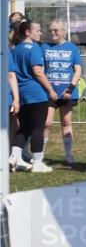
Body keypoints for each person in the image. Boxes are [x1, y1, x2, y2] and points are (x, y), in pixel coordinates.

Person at [9, 20, 58, 173]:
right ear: (27, 32)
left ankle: (14, 157)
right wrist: (50, 90)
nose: (41, 33)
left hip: (22, 93)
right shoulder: (34, 48)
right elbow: (38, 72)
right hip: (37, 93)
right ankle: (37, 162)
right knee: (38, 128)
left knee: (24, 127)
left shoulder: (16, 49)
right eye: (37, 30)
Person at [42, 19, 82, 165]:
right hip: (49, 92)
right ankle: (40, 154)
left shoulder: (72, 48)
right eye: (51, 30)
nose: (52, 32)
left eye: (56, 30)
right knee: (46, 123)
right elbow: (41, 70)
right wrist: (49, 89)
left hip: (66, 92)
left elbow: (78, 70)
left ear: (64, 31)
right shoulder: (44, 47)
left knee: (66, 122)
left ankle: (68, 154)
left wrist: (70, 89)